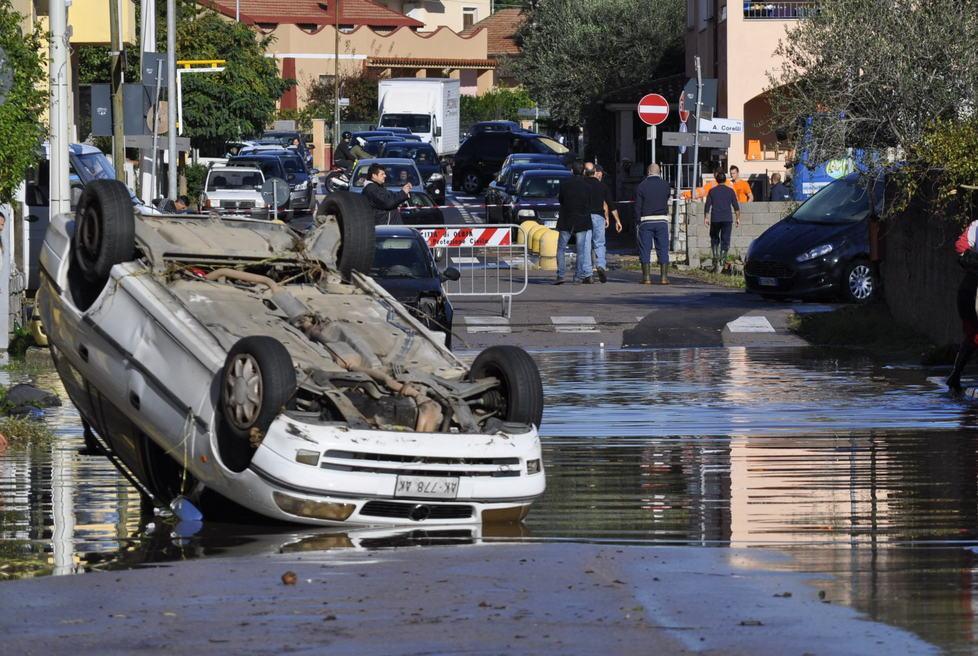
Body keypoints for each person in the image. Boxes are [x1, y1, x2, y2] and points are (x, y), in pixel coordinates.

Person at [946, 214, 978, 392]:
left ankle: (955, 376)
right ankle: (955, 376)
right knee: (973, 336)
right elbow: (961, 248)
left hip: (968, 293)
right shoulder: (976, 227)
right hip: (971, 293)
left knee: (973, 338)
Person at [555, 160, 593, 285]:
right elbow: (589, 203)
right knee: (580, 250)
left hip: (566, 219)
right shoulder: (588, 186)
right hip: (582, 220)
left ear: (571, 171)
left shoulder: (565, 184)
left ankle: (561, 275)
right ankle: (578, 276)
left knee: (561, 248)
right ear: (583, 171)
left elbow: (561, 200)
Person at [634, 163, 672, 285]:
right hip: (661, 220)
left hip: (646, 221)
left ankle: (646, 278)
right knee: (663, 248)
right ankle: (664, 278)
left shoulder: (642, 186)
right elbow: (667, 197)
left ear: (648, 172)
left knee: (645, 248)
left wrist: (637, 220)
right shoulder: (665, 185)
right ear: (659, 172)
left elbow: (638, 205)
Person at [704, 172, 741, 273]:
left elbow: (707, 205)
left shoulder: (712, 191)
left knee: (715, 238)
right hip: (727, 219)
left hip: (715, 218)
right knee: (725, 240)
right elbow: (736, 207)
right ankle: (722, 262)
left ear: (716, 180)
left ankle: (716, 260)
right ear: (725, 180)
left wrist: (706, 217)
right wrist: (738, 218)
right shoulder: (730, 191)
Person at [583, 162, 611, 283]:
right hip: (599, 216)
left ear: (584, 172)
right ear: (594, 172)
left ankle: (588, 274)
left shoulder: (582, 184)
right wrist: (607, 217)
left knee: (586, 245)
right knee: (599, 243)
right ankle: (601, 265)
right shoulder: (602, 186)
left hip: (585, 216)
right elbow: (607, 203)